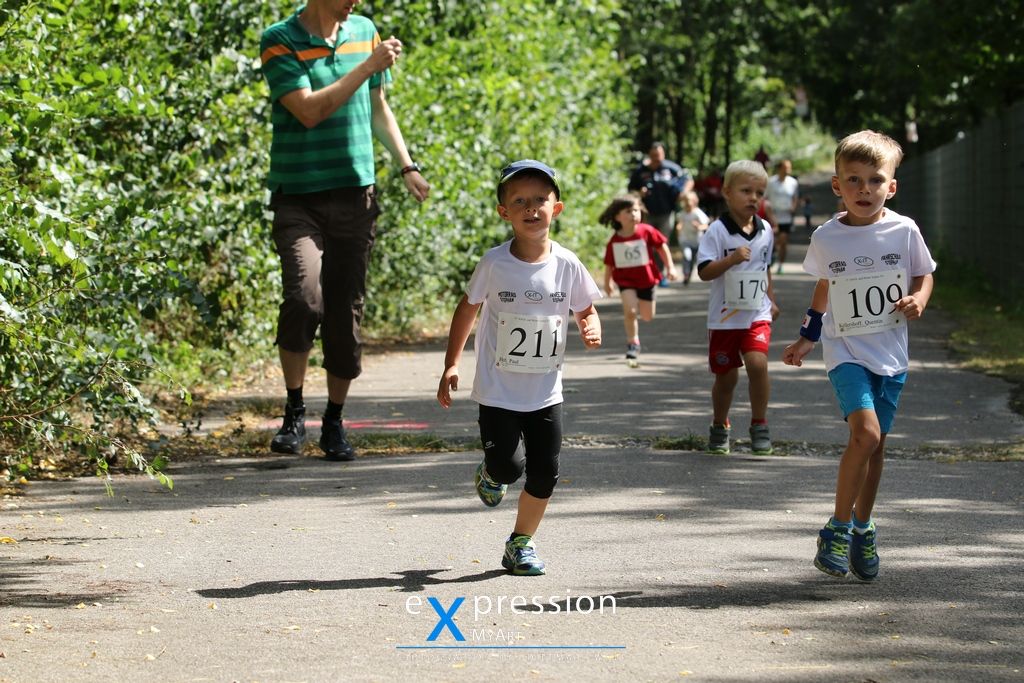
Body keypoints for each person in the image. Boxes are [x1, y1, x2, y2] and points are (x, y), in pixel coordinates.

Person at [259, 0, 429, 461]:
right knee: (303, 297)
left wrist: (407, 165)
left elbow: (377, 106)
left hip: (356, 195)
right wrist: (369, 65)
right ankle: (295, 412)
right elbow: (309, 110)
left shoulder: (363, 29)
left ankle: (334, 422)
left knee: (344, 311)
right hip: (299, 196)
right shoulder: (280, 39)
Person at [782, 130, 936, 582]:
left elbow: (924, 274)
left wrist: (919, 299)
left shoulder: (904, 231)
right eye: (854, 180)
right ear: (837, 185)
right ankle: (837, 527)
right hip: (845, 351)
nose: (864, 189)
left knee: (876, 444)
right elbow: (825, 286)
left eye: (875, 180)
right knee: (865, 435)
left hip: (891, 355)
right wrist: (808, 336)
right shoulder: (827, 237)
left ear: (892, 186)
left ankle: (863, 528)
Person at [437, 160, 602, 576]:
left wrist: (590, 325)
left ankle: (520, 543)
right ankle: (491, 474)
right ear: (504, 212)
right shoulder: (494, 263)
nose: (531, 208)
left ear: (556, 208)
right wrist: (451, 363)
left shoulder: (567, 263)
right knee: (508, 468)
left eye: (540, 200)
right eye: (519, 201)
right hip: (498, 391)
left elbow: (585, 306)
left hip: (546, 392)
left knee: (545, 472)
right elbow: (467, 309)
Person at [696, 160, 779, 455]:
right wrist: (730, 260)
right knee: (727, 377)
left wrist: (771, 298)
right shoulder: (717, 231)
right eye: (746, 191)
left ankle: (760, 424)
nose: (753, 198)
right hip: (725, 318)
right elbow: (704, 271)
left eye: (759, 193)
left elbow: (764, 269)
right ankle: (720, 424)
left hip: (756, 312)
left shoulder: (766, 230)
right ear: (727, 192)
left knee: (758, 364)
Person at [600, 195, 677, 364]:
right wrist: (607, 283)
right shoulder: (615, 240)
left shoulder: (647, 231)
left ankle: (636, 333)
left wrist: (670, 267)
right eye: (628, 211)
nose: (634, 214)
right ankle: (633, 343)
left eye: (636, 210)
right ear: (618, 217)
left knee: (647, 316)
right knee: (630, 312)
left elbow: (662, 247)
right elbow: (609, 264)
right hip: (625, 281)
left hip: (646, 279)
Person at [627, 142, 692, 284]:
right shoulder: (640, 171)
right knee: (645, 244)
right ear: (649, 155)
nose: (657, 158)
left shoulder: (671, 168)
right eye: (654, 155)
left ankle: (661, 274)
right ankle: (647, 273)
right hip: (646, 214)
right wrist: (639, 193)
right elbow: (630, 190)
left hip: (666, 213)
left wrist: (683, 193)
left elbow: (688, 180)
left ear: (663, 154)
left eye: (659, 155)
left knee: (662, 244)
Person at [766, 159, 800, 273]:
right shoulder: (771, 182)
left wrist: (794, 207)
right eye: (786, 167)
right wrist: (769, 213)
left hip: (786, 216)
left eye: (790, 167)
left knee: (784, 241)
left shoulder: (793, 182)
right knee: (772, 239)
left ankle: (780, 264)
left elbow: (795, 197)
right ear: (780, 168)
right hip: (773, 216)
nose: (788, 170)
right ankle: (772, 253)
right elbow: (765, 198)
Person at [674, 190, 710, 285]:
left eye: (690, 200)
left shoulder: (698, 213)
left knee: (693, 259)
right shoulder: (681, 214)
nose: (688, 203)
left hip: (697, 241)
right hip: (685, 240)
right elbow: (679, 224)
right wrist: (678, 229)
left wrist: (699, 227)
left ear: (695, 201)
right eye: (686, 201)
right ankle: (685, 274)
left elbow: (706, 225)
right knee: (687, 256)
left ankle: (689, 273)